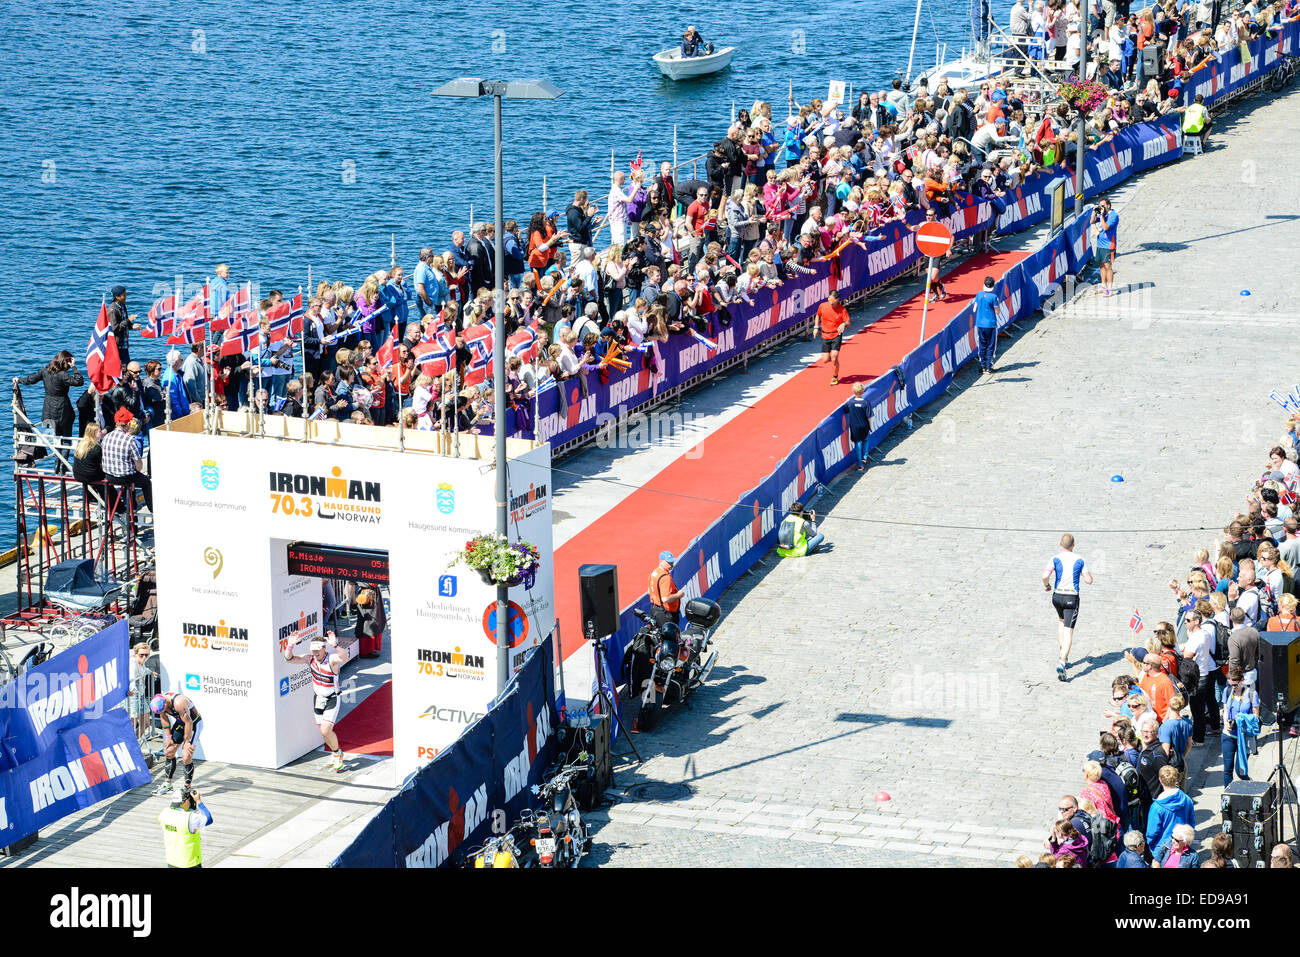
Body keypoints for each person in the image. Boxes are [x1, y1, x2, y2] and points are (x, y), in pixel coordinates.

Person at [285, 630, 349, 771]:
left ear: (324, 648)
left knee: (326, 730)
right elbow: (289, 659)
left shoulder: (331, 659)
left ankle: (338, 754)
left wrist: (336, 645)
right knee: (323, 732)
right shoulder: (310, 659)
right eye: (313, 651)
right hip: (318, 699)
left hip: (332, 698)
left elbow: (345, 657)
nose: (315, 654)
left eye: (318, 651)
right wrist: (290, 646)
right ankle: (334, 753)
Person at [15, 350, 84, 466]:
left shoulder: (45, 371)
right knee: (66, 439)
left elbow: (31, 379)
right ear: (66, 362)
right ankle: (62, 465)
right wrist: (74, 367)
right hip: (64, 410)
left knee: (55, 439)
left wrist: (19, 381)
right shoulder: (63, 375)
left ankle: (58, 462)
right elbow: (79, 381)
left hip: (48, 410)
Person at [1042, 533, 1093, 681]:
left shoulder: (1055, 558)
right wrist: (1086, 575)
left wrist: (1047, 585)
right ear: (1074, 545)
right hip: (1071, 598)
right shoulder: (1080, 559)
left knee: (1061, 621)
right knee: (1069, 630)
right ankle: (1062, 662)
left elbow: (1044, 575)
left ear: (1060, 544)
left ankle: (1062, 652)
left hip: (1057, 596)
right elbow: (1089, 580)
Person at [102, 406, 153, 515]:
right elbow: (139, 466)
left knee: (132, 478)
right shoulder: (129, 440)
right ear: (128, 424)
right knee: (146, 482)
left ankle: (130, 509)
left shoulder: (106, 436)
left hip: (109, 475)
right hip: (124, 477)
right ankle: (152, 509)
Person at [150, 690, 202, 795]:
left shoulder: (179, 702)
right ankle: (167, 784)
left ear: (166, 703)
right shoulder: (160, 702)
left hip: (194, 723)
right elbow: (163, 718)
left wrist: (187, 742)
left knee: (186, 755)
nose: (163, 712)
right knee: (169, 752)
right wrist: (168, 737)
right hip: (181, 723)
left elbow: (189, 722)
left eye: (163, 709)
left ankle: (187, 787)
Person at [157, 785, 214, 869]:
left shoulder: (164, 813)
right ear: (186, 801)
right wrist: (198, 801)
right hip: (189, 862)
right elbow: (209, 819)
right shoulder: (190, 818)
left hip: (172, 861)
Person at [1145, 764, 1195, 860]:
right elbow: (1191, 824)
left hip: (1162, 850)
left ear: (1160, 780)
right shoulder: (1187, 800)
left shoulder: (1157, 807)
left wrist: (1153, 848)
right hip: (1182, 846)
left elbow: (1151, 833)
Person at [1221, 667, 1259, 788]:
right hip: (1228, 734)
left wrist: (1242, 718)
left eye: (1235, 685)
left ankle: (1251, 788)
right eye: (1230, 684)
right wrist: (1225, 722)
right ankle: (1227, 798)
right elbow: (1225, 711)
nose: (1233, 687)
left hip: (1244, 736)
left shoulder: (1252, 694)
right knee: (1227, 770)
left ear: (1242, 680)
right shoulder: (1227, 691)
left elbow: (1255, 717)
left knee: (1240, 771)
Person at [816, 289, 850, 386]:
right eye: (829, 299)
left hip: (836, 335)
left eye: (833, 300)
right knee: (825, 360)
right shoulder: (822, 306)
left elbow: (848, 322)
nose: (831, 301)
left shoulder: (842, 309)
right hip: (825, 335)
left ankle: (835, 377)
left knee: (834, 358)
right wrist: (815, 327)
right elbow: (818, 316)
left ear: (837, 300)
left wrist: (843, 324)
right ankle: (835, 360)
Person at [972, 276, 1002, 374]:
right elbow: (997, 312)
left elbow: (974, 309)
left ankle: (982, 366)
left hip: (980, 324)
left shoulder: (979, 294)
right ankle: (989, 367)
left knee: (982, 345)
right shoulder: (994, 297)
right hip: (991, 325)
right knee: (991, 346)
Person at [647, 551, 685, 628]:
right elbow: (665, 599)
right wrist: (679, 595)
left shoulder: (654, 573)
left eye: (672, 562)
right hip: (666, 614)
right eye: (669, 562)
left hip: (655, 610)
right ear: (661, 561)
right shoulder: (665, 578)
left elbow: (649, 591)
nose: (671, 564)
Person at [1091, 197, 1119, 296]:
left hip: (1109, 245)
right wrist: (1095, 211)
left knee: (1108, 267)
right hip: (1100, 245)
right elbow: (1091, 221)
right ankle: (1103, 286)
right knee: (1101, 266)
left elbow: (1106, 227)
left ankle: (1110, 289)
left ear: (1108, 205)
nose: (1101, 208)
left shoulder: (1113, 216)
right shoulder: (1103, 214)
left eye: (1103, 206)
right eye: (1100, 206)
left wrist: (1102, 216)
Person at [106, 284, 139, 365]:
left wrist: (131, 326)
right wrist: (128, 321)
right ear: (117, 297)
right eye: (124, 295)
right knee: (122, 366)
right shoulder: (112, 310)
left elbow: (124, 322)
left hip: (124, 344)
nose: (126, 297)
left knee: (126, 366)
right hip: (117, 345)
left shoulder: (122, 306)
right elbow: (115, 329)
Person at [354, 583, 386, 659]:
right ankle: (365, 651)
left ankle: (369, 649)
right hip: (366, 595)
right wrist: (352, 601)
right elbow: (351, 584)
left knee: (372, 621)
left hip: (371, 594)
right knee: (368, 623)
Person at [844, 382, 871, 470]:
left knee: (858, 444)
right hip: (864, 426)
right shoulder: (866, 403)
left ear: (853, 391)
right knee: (866, 440)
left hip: (855, 428)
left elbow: (846, 410)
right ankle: (865, 456)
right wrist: (870, 426)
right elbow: (869, 417)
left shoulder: (850, 403)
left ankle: (860, 465)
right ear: (863, 391)